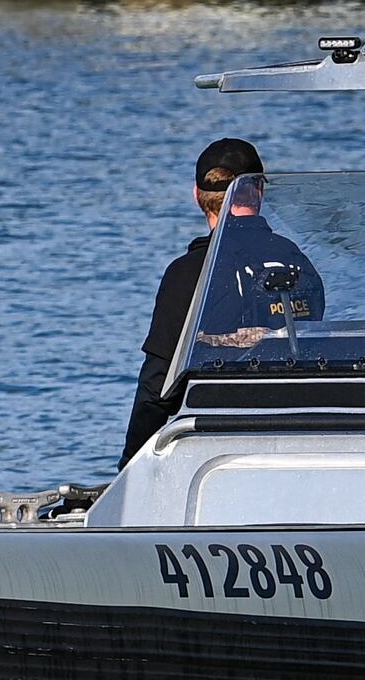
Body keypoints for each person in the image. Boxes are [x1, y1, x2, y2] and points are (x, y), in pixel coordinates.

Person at [124, 138, 325, 459]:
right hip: (297, 438)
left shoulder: (188, 273)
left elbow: (156, 389)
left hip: (218, 448)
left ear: (197, 196)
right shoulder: (298, 263)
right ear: (259, 191)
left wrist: (129, 465)